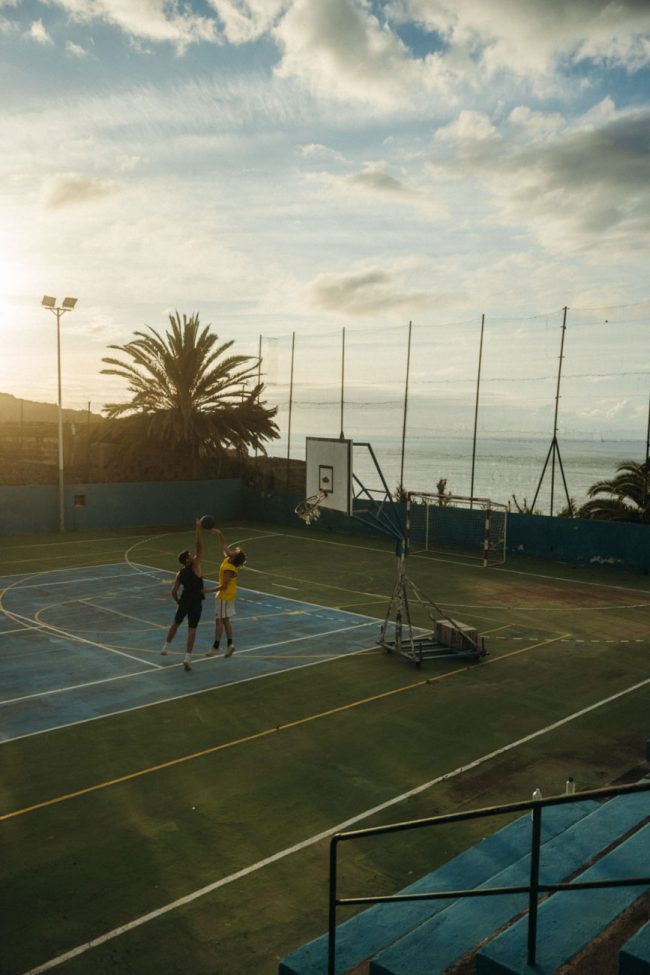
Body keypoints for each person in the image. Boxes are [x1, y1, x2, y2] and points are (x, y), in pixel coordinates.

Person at [161, 518, 205, 671]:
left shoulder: (180, 573)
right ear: (187, 559)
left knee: (176, 623)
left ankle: (165, 647)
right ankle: (187, 657)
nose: (193, 555)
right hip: (196, 602)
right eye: (190, 555)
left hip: (185, 600)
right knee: (192, 629)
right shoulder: (196, 566)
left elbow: (173, 592)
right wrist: (198, 528)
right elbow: (199, 546)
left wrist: (179, 602)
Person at [205, 527, 246, 658]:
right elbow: (224, 546)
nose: (232, 551)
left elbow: (223, 586)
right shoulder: (229, 558)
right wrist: (219, 534)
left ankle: (216, 647)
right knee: (226, 620)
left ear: (235, 557)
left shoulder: (229, 568)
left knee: (219, 621)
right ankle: (230, 645)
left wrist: (207, 590)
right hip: (229, 595)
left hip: (224, 596)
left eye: (235, 552)